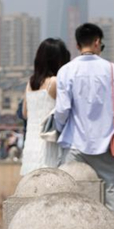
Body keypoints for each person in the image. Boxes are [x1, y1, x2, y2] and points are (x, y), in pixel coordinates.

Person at [54, 23, 114, 223]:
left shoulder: (66, 71)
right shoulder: (112, 70)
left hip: (74, 141)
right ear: (97, 42)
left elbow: (62, 109)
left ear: (77, 44)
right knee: (110, 190)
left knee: (70, 192)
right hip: (106, 142)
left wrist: (58, 129)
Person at [21, 38, 70, 176]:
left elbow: (25, 113)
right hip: (48, 145)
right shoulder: (54, 82)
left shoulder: (30, 83)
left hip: (31, 144)